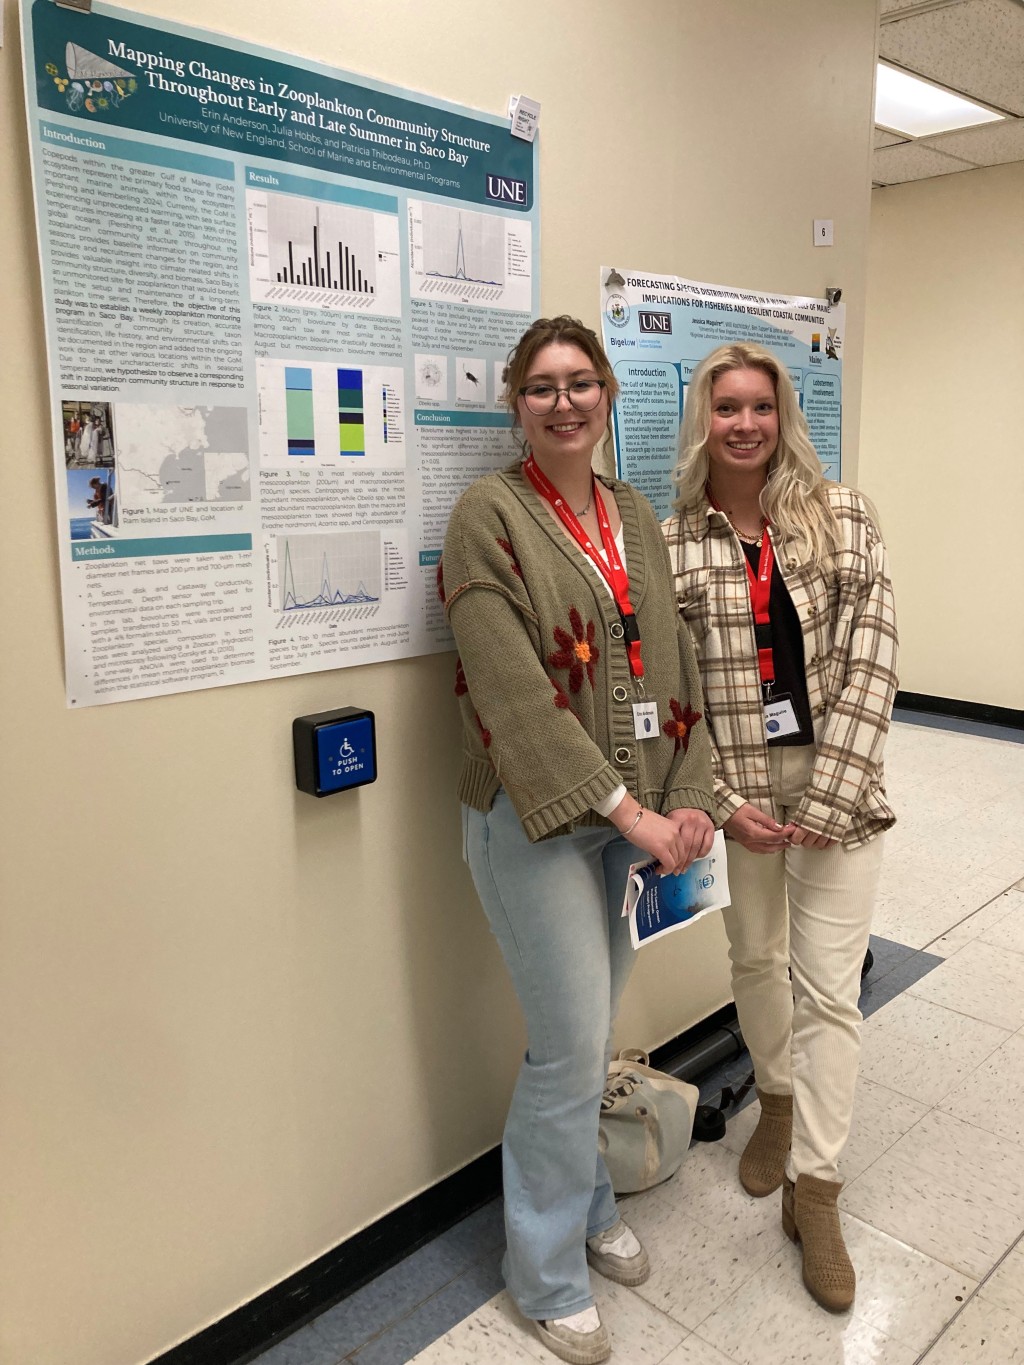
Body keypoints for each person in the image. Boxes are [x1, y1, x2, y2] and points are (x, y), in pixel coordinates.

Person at [442, 316, 715, 1364]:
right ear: (516, 405)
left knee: (591, 1036)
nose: (564, 402)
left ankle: (592, 1207)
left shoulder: (633, 511)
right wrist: (633, 814)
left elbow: (673, 665)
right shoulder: (488, 516)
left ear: (606, 396)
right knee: (565, 1051)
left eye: (581, 383)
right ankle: (544, 1273)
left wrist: (686, 794)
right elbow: (513, 699)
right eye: (542, 387)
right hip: (531, 817)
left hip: (634, 810)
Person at [662, 342, 898, 1313]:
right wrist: (722, 804)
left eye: (761, 406)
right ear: (702, 420)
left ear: (781, 414)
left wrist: (832, 802)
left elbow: (873, 657)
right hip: (740, 788)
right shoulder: (674, 542)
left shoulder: (842, 517)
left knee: (830, 990)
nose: (746, 424)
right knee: (754, 962)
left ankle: (818, 1187)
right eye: (727, 407)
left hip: (837, 780)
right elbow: (672, 693)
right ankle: (777, 1096)